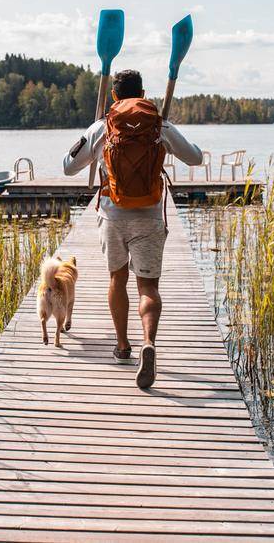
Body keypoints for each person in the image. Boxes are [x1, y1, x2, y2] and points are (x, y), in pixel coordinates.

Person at [63, 69, 203, 389]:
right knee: (148, 288)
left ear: (114, 96)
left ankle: (123, 347)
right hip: (150, 216)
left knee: (117, 279)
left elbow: (68, 167)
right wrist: (172, 138)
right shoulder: (159, 124)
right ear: (142, 92)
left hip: (113, 216)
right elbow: (194, 158)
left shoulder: (102, 126)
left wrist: (91, 136)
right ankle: (148, 342)